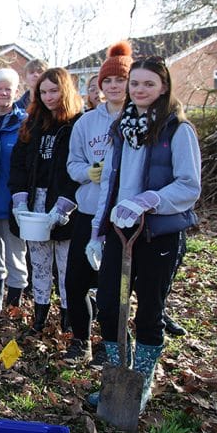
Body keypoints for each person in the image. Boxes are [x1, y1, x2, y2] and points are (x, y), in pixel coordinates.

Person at [86, 56, 201, 413]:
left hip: (157, 236)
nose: (139, 90)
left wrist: (150, 200)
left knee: (149, 311)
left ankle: (142, 382)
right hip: (120, 235)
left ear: (163, 87)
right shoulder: (122, 128)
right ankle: (120, 376)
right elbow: (109, 181)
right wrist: (97, 230)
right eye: (135, 83)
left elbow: (189, 186)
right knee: (110, 305)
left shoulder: (178, 130)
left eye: (148, 84)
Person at [64, 41, 132, 365]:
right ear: (100, 86)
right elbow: (72, 165)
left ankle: (111, 344)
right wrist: (88, 172)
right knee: (74, 282)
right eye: (108, 81)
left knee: (111, 290)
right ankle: (80, 340)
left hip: (121, 218)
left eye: (121, 80)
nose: (114, 86)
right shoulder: (85, 123)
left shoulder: (136, 120)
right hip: (88, 211)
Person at [9, 67, 82, 333]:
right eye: (43, 92)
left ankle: (67, 318)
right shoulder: (32, 123)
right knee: (38, 263)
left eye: (54, 91)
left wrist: (64, 206)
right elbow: (17, 164)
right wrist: (19, 201)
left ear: (65, 91)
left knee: (65, 265)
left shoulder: (77, 124)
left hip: (65, 204)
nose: (49, 97)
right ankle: (40, 317)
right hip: (34, 204)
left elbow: (78, 171)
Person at [0, 68, 29, 314]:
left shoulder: (25, 124)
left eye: (8, 88)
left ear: (16, 92)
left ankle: (14, 306)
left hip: (13, 202)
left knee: (16, 255)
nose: (3, 92)